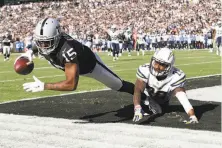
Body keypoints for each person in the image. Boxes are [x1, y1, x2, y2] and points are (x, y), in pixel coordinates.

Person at [16, 18, 134, 94]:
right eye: (40, 42)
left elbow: (71, 84)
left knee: (118, 85)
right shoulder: (44, 42)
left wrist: (44, 86)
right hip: (70, 63)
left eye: (47, 42)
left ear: (57, 38)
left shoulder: (67, 51)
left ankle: (144, 97)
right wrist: (29, 53)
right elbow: (37, 45)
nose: (43, 46)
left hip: (91, 67)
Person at [132, 48, 199, 124]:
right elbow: (138, 89)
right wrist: (137, 107)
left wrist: (192, 116)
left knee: (160, 110)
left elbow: (182, 97)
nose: (157, 67)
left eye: (162, 65)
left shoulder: (176, 76)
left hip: (161, 103)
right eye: (156, 62)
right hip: (144, 99)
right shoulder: (145, 70)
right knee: (132, 88)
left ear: (169, 66)